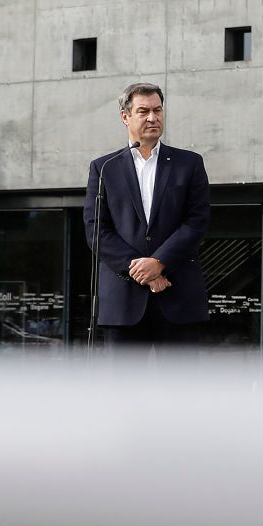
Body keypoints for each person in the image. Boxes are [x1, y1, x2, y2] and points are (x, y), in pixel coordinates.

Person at [85, 83, 211, 349]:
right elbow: (96, 229)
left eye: (158, 110)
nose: (153, 117)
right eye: (143, 111)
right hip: (123, 303)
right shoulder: (104, 167)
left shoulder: (189, 163)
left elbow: (197, 221)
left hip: (178, 295)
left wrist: (160, 261)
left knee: (180, 389)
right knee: (125, 391)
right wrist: (144, 271)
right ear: (125, 116)